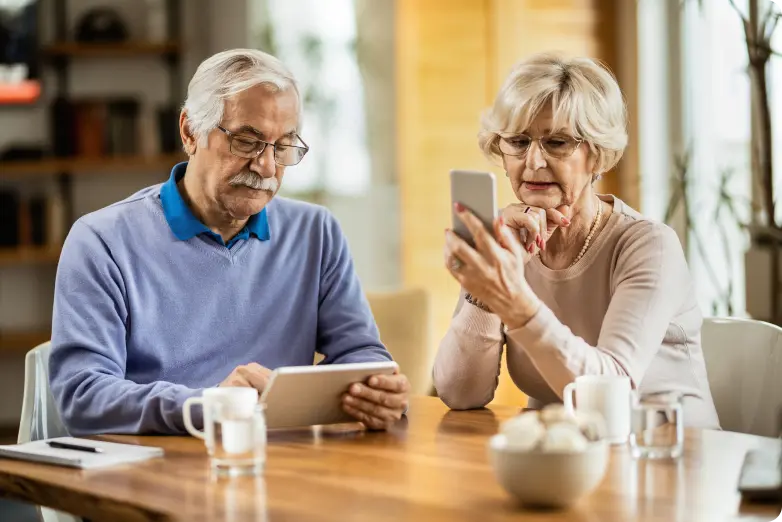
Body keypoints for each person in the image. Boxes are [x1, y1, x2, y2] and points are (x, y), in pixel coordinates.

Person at [49, 49, 410, 435]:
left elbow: (361, 353)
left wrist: (378, 390)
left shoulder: (316, 231)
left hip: (284, 466)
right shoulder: (101, 241)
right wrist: (210, 406)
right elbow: (82, 396)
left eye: (283, 145)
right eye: (246, 141)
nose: (267, 167)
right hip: (157, 471)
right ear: (189, 132)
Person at [433, 53, 720, 428]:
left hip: (673, 458)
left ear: (597, 155)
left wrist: (517, 305)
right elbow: (460, 393)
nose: (533, 162)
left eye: (557, 142)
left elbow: (609, 394)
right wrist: (485, 292)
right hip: (570, 460)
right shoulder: (509, 243)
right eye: (518, 142)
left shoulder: (649, 245)